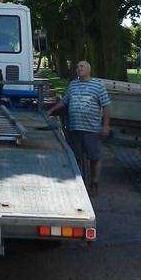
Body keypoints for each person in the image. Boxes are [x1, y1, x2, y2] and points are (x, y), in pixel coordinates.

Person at [47, 60, 111, 195]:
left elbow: (106, 106)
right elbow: (65, 101)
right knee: (75, 157)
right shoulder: (73, 84)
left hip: (92, 129)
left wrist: (105, 125)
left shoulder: (98, 86)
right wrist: (51, 110)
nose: (78, 69)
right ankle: (79, 183)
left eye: (81, 67)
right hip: (75, 128)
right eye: (77, 67)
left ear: (89, 69)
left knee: (94, 157)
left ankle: (94, 183)